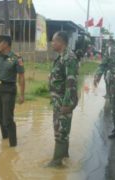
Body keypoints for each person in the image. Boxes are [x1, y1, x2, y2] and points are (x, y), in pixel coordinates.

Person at [47, 31, 79, 168]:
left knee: (60, 131)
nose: (52, 43)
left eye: (54, 41)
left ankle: (56, 163)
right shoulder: (61, 57)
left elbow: (70, 83)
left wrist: (66, 104)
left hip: (63, 101)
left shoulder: (69, 57)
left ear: (61, 42)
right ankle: (64, 156)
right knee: (62, 130)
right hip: (58, 100)